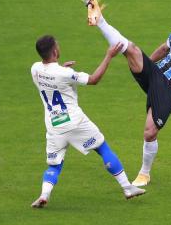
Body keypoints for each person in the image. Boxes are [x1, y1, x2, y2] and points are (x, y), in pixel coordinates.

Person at [86, 0, 171, 186]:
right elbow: (163, 50)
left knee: (150, 133)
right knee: (132, 49)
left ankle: (144, 174)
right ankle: (99, 20)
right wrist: (146, 65)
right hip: (155, 74)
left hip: (170, 91)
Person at [30, 35, 145, 208]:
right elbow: (93, 79)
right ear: (55, 51)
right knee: (102, 147)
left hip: (54, 126)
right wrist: (109, 56)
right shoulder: (65, 73)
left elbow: (52, 76)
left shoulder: (35, 69)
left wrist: (62, 69)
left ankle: (44, 195)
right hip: (75, 122)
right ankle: (127, 187)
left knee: (54, 165)